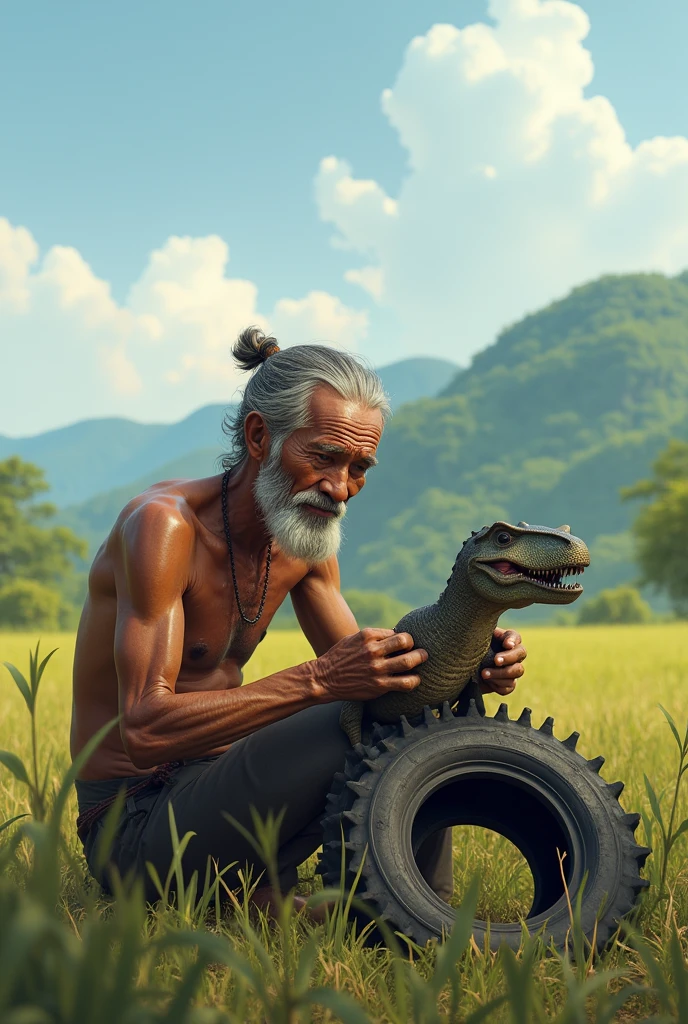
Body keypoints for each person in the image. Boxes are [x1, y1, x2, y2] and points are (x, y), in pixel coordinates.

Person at [71, 328, 527, 915]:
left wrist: (468, 662)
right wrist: (318, 681)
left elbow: (378, 688)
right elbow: (145, 730)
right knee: (346, 712)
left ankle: (411, 905)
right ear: (260, 436)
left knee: (413, 706)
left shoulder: (304, 540)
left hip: (222, 798)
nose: (340, 488)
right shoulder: (165, 528)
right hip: (135, 822)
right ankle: (406, 914)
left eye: (360, 467)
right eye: (323, 457)